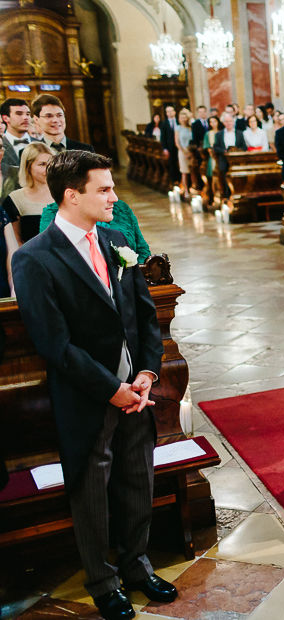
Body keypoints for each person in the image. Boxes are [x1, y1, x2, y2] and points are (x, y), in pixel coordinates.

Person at [11, 150, 178, 620]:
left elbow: (145, 316)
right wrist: (112, 388)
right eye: (103, 189)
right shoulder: (34, 259)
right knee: (91, 493)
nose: (114, 196)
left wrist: (146, 374)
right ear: (71, 195)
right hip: (88, 397)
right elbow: (54, 344)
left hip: (136, 391)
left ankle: (137, 565)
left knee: (136, 480)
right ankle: (103, 580)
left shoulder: (117, 239)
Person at [39, 198, 152, 262]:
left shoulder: (120, 207)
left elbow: (143, 250)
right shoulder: (54, 213)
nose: (114, 197)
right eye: (103, 189)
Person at [2, 142, 54, 243]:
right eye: (42, 164)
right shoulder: (15, 199)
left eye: (51, 164)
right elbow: (14, 242)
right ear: (28, 166)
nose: (48, 169)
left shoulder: (65, 194)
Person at [2, 97, 33, 200]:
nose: (25, 118)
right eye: (19, 114)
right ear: (6, 118)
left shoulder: (43, 145)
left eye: (28, 114)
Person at [213, 112, 246, 198]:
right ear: (223, 123)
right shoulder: (219, 134)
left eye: (230, 121)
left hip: (237, 161)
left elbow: (244, 147)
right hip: (224, 160)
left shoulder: (240, 133)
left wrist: (237, 151)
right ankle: (227, 197)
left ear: (233, 122)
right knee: (225, 179)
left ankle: (237, 195)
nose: (228, 123)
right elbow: (215, 147)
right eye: (226, 121)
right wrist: (224, 151)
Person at [201, 115, 221, 200]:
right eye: (211, 122)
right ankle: (214, 194)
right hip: (213, 156)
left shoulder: (221, 132)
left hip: (221, 155)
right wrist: (212, 152)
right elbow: (207, 146)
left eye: (214, 121)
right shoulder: (208, 133)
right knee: (213, 176)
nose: (213, 123)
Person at [174, 108, 193, 196]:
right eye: (181, 117)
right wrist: (184, 152)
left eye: (185, 117)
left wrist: (190, 151)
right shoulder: (178, 128)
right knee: (184, 172)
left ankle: (193, 188)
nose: (183, 119)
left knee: (192, 170)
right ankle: (186, 190)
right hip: (182, 151)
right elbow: (177, 142)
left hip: (191, 151)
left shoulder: (190, 127)